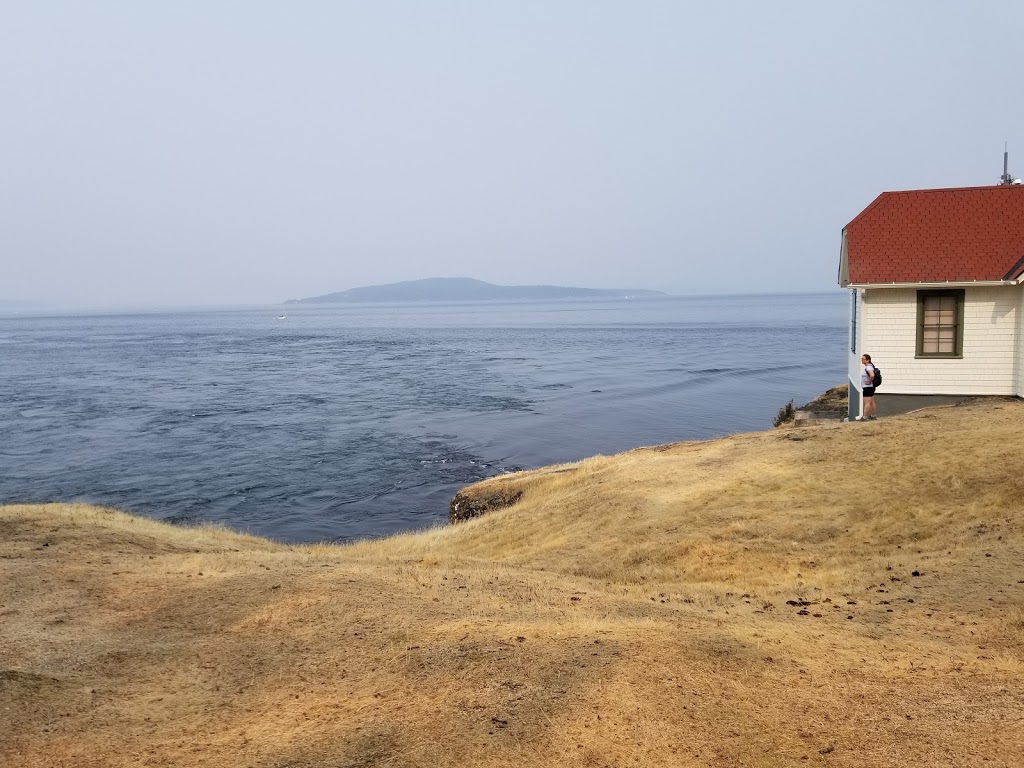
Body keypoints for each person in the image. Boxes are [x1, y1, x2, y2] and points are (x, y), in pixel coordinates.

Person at [860, 354, 877, 420]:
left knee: (867, 403)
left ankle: (864, 417)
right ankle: (873, 415)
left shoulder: (869, 367)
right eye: (862, 358)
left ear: (868, 360)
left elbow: (872, 375)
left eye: (863, 359)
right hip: (871, 387)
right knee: (872, 402)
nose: (862, 360)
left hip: (868, 387)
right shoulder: (870, 366)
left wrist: (869, 381)